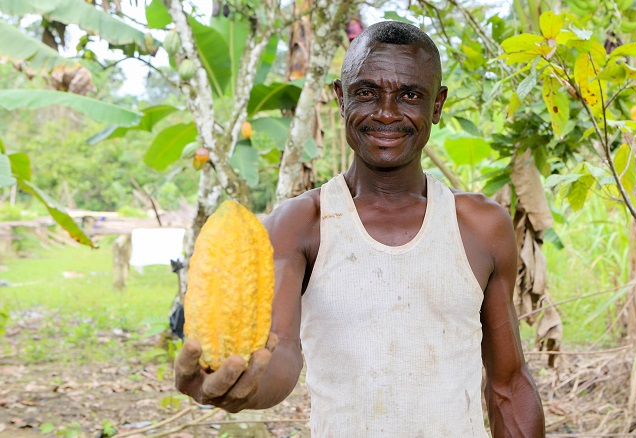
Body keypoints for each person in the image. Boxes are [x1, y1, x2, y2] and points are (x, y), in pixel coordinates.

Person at [175, 20, 545, 437]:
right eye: (366, 93)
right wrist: (240, 384)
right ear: (340, 98)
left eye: (409, 95)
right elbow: (280, 355)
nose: (386, 113)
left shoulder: (480, 227)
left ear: (437, 106)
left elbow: (509, 386)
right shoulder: (301, 223)